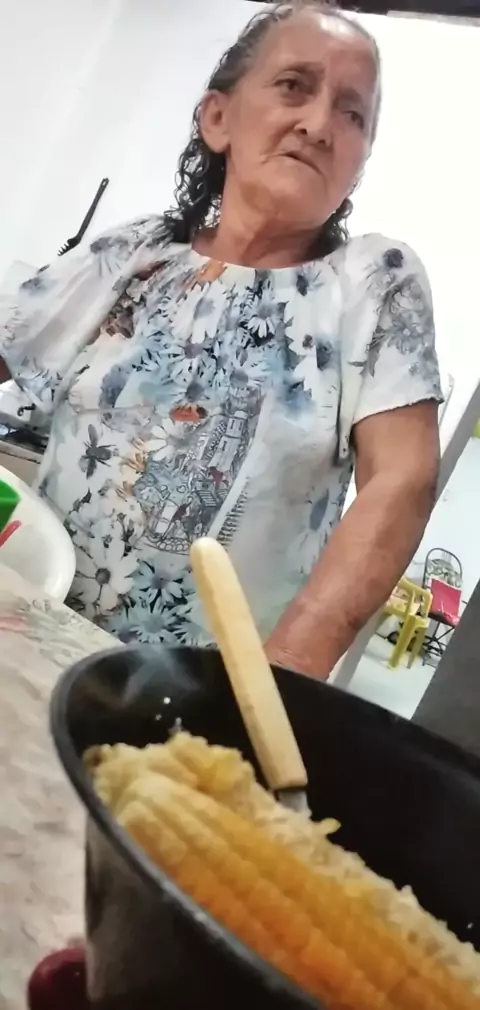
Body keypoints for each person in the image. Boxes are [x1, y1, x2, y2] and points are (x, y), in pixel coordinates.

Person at [0, 1, 442, 679]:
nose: (319, 124)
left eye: (353, 113)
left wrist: (277, 681)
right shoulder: (135, 253)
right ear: (218, 118)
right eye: (294, 85)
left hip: (195, 697)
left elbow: (401, 479)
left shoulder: (371, 283)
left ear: (360, 162)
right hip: (26, 640)